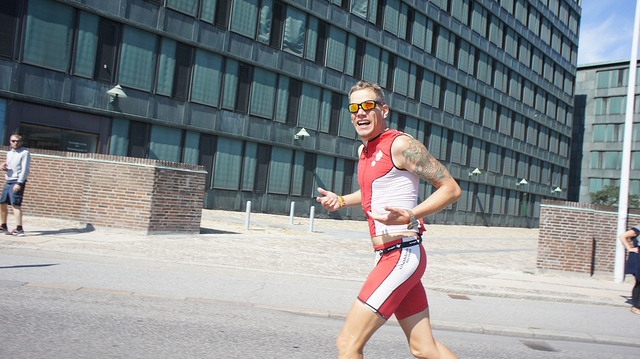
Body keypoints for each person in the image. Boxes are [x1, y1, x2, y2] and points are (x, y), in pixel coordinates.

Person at [316, 81, 461, 358]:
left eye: (368, 106)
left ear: (383, 109)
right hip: (389, 255)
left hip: (401, 255)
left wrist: (411, 214)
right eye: (354, 108)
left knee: (347, 344)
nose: (361, 112)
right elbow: (371, 192)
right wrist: (342, 200)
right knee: (424, 348)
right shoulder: (365, 151)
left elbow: (451, 189)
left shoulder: (401, 144)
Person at [1, 134, 31, 236]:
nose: (15, 143)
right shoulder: (9, 153)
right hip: (8, 180)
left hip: (17, 181)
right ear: (10, 141)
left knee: (15, 205)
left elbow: (25, 169)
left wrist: (19, 183)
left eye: (18, 141)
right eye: (13, 141)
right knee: (2, 203)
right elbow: (9, 166)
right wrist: (4, 168)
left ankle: (19, 229)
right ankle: (3, 226)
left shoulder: (24, 153)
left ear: (21, 142)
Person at [619, 226, 640, 315]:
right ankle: (636, 306)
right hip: (638, 258)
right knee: (639, 282)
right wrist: (630, 248)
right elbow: (623, 236)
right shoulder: (638, 229)